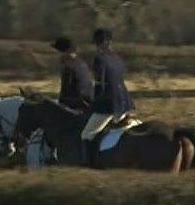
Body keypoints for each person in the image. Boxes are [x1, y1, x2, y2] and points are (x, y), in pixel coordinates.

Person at [80, 28, 135, 163]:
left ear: (102, 43)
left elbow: (101, 86)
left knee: (86, 134)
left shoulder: (99, 59)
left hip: (109, 104)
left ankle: (89, 163)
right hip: (125, 102)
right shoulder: (117, 58)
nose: (97, 46)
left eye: (97, 43)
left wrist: (93, 105)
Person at [52, 36, 93, 111]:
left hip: (75, 105)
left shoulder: (68, 67)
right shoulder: (82, 63)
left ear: (62, 52)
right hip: (88, 102)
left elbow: (65, 91)